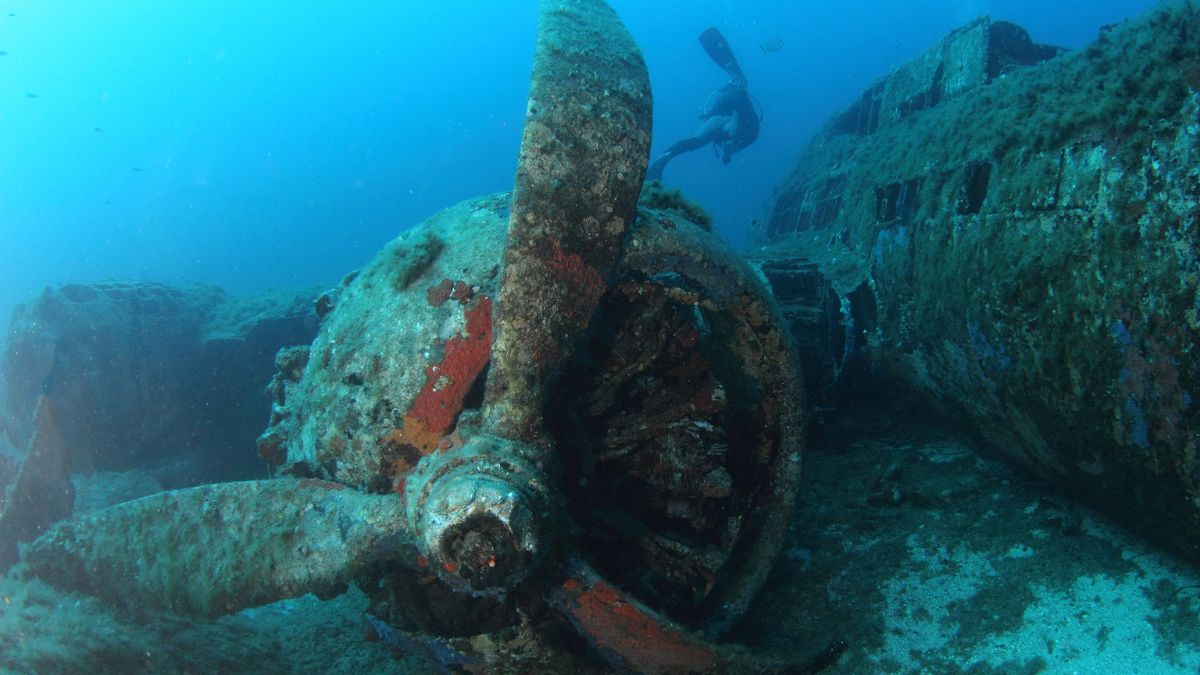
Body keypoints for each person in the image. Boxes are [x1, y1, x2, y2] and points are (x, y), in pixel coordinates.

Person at [646, 28, 761, 182]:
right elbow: (743, 112)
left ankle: (664, 158)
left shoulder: (722, 132)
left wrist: (669, 154)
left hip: (725, 111)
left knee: (696, 141)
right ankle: (738, 82)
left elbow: (693, 143)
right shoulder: (747, 131)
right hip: (733, 110)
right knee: (737, 109)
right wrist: (737, 109)